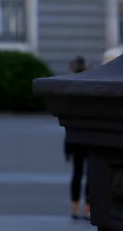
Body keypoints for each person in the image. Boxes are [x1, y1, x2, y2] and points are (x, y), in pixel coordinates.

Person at [65, 56, 91, 220]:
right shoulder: (89, 88)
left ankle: (75, 208)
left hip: (74, 138)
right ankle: (87, 208)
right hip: (89, 136)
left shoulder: (69, 89)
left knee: (77, 173)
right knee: (90, 174)